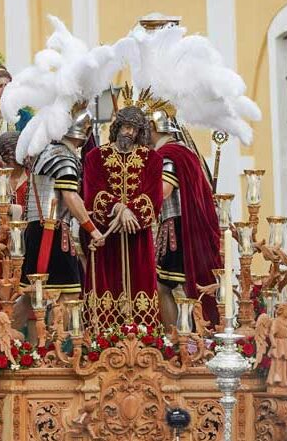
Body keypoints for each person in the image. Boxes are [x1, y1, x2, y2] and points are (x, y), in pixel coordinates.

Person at [16, 107, 102, 328]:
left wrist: (84, 212)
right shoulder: (64, 157)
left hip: (38, 229)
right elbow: (70, 196)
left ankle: (5, 339)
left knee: (31, 295)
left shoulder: (47, 152)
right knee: (69, 293)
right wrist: (92, 230)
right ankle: (59, 345)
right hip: (52, 231)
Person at [83, 105, 163, 325]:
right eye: (127, 126)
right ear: (117, 126)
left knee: (140, 282)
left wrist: (130, 213)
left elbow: (154, 198)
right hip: (106, 237)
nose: (130, 132)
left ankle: (143, 336)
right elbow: (92, 194)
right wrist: (119, 209)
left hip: (138, 237)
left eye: (135, 129)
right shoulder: (95, 157)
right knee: (106, 285)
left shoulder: (152, 159)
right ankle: (103, 336)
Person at [147, 102, 221, 329]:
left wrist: (135, 200)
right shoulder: (185, 151)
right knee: (183, 284)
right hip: (188, 226)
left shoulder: (167, 155)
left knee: (164, 285)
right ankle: (191, 334)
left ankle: (176, 336)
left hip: (176, 228)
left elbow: (163, 191)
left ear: (154, 128)